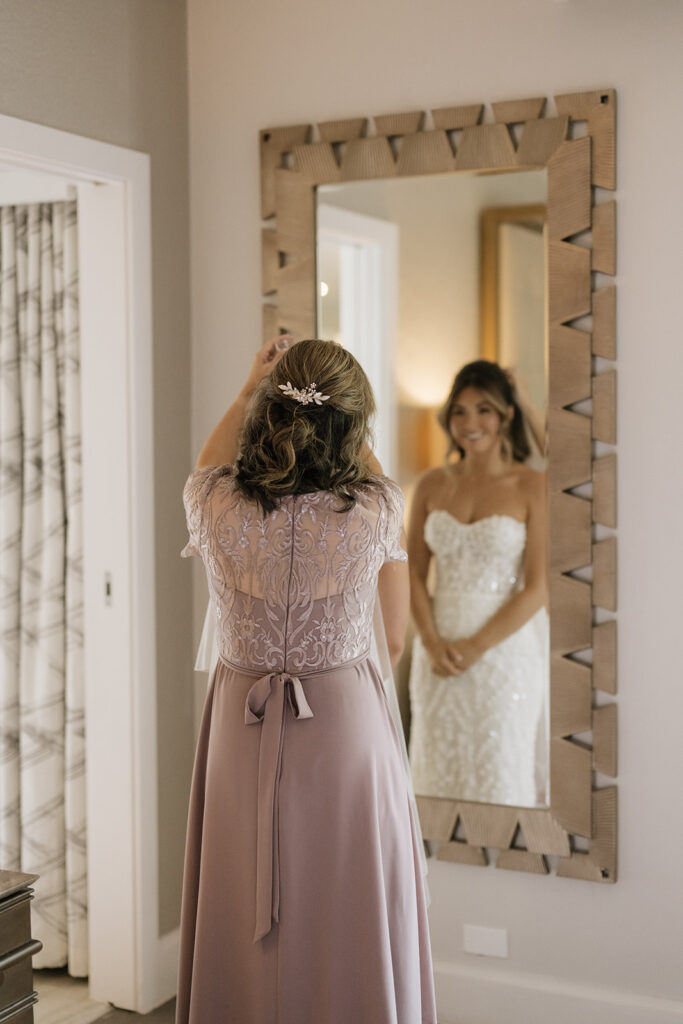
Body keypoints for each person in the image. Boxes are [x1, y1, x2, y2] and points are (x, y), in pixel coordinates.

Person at [176, 336, 436, 1024]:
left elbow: (210, 457)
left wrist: (249, 386)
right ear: (352, 424)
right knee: (348, 904)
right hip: (343, 728)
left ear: (266, 412)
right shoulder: (376, 508)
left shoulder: (211, 500)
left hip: (242, 724)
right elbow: (395, 638)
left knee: (239, 898)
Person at [407, 359, 548, 807]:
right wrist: (430, 642)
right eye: (460, 411)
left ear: (506, 415)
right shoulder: (430, 485)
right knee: (435, 778)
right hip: (437, 652)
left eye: (483, 409)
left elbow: (538, 586)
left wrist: (476, 646)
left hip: (504, 654)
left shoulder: (533, 486)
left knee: (500, 776)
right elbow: (410, 571)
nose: (469, 423)